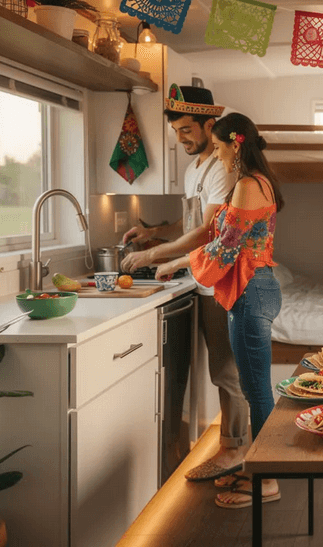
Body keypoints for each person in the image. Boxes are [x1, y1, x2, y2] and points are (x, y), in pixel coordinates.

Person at [120, 85, 250, 483]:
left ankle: (236, 452)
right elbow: (191, 222)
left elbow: (210, 229)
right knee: (215, 372)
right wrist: (154, 233)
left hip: (221, 282)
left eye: (187, 130)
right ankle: (225, 448)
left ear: (210, 124)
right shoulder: (193, 168)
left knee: (227, 372)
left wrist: (154, 256)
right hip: (199, 279)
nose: (181, 139)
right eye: (176, 132)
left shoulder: (224, 167)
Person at [154, 112, 284, 508]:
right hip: (255, 288)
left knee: (257, 391)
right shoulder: (260, 182)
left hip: (249, 292)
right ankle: (255, 469)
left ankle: (265, 480)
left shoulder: (246, 185)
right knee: (254, 387)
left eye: (221, 145)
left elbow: (226, 247)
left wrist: (177, 261)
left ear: (235, 144)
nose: (218, 152)